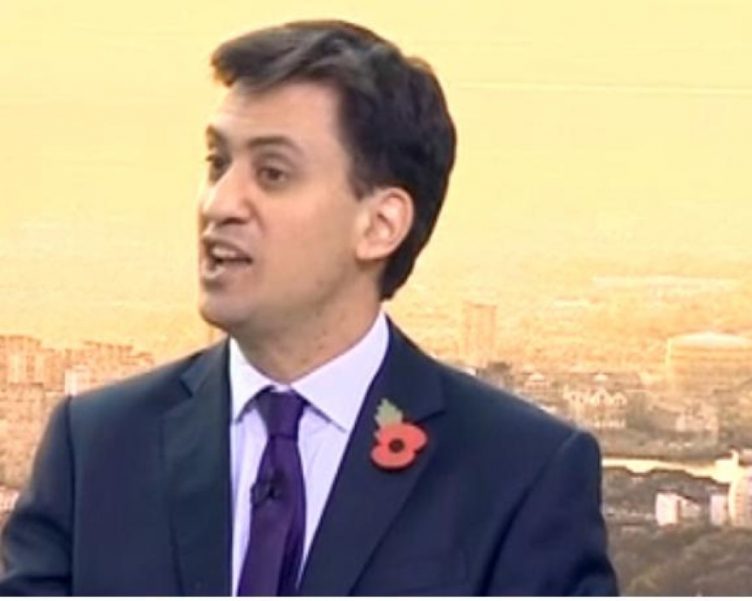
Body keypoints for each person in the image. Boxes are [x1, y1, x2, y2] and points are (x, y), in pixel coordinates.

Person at [0, 19, 617, 595]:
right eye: (217, 164)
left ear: (380, 225)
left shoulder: (518, 475)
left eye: (271, 173)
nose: (221, 203)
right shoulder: (99, 448)